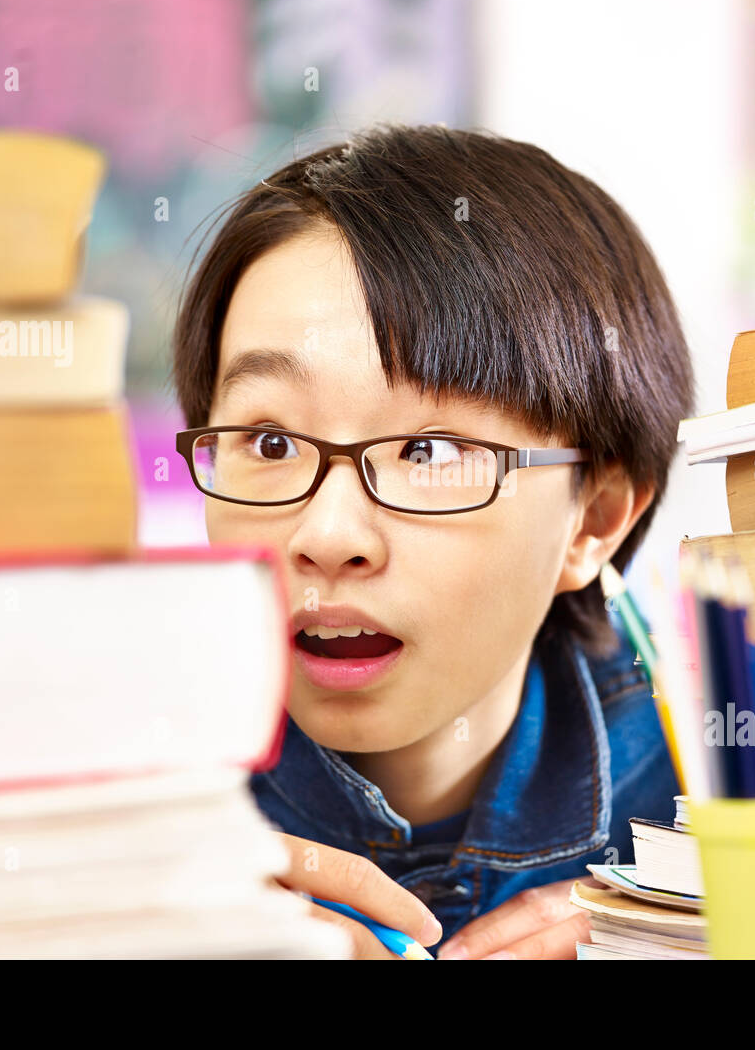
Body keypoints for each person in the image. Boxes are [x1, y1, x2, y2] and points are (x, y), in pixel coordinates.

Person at [172, 123, 694, 959]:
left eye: (430, 451)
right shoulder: (102, 787)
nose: (329, 534)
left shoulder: (735, 774)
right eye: (269, 442)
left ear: (592, 521)